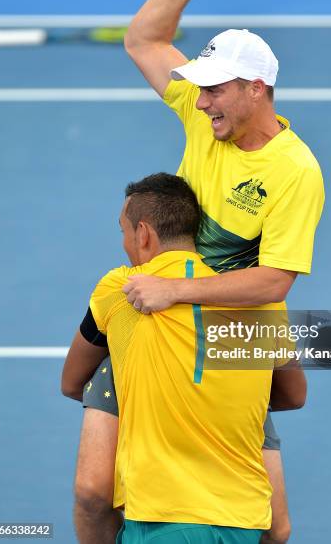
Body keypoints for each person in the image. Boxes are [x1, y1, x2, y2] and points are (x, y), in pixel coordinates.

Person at [64, 0, 324, 544]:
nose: (200, 101)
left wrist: (175, 289)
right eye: (199, 90)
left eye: (214, 91)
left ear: (256, 89)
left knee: (276, 530)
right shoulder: (204, 118)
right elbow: (144, 42)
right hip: (158, 326)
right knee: (94, 493)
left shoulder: (296, 172)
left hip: (234, 333)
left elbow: (275, 281)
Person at [63, 173, 293, 544]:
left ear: (143, 234)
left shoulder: (118, 290)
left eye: (122, 231)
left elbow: (72, 382)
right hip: (242, 524)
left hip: (161, 520)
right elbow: (293, 395)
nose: (123, 243)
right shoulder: (262, 304)